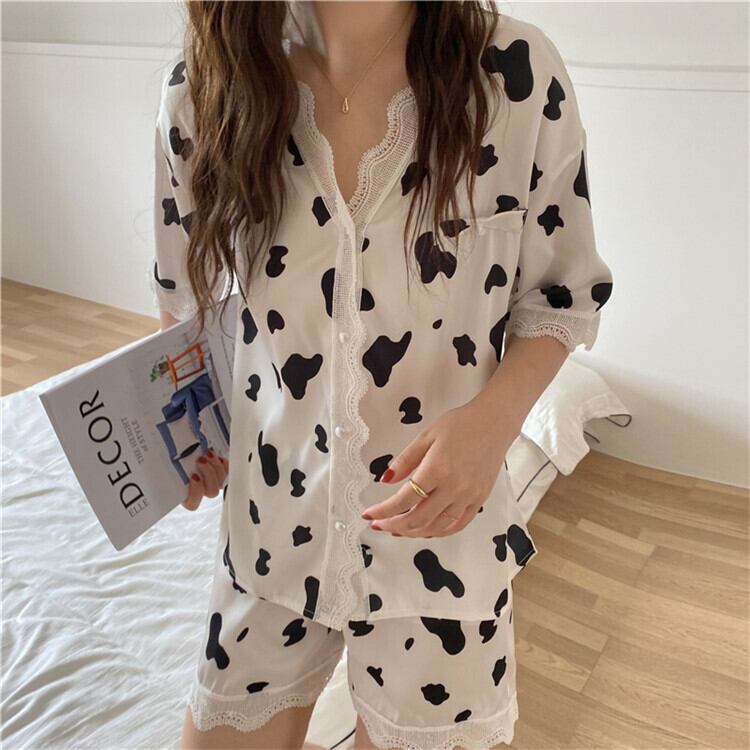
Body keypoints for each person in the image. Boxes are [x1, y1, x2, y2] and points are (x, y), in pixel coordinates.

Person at [150, 1, 614, 748]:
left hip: (442, 542)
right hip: (270, 530)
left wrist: (492, 425)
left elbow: (562, 295)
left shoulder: (513, 76)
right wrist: (194, 437)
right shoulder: (202, 91)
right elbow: (185, 308)